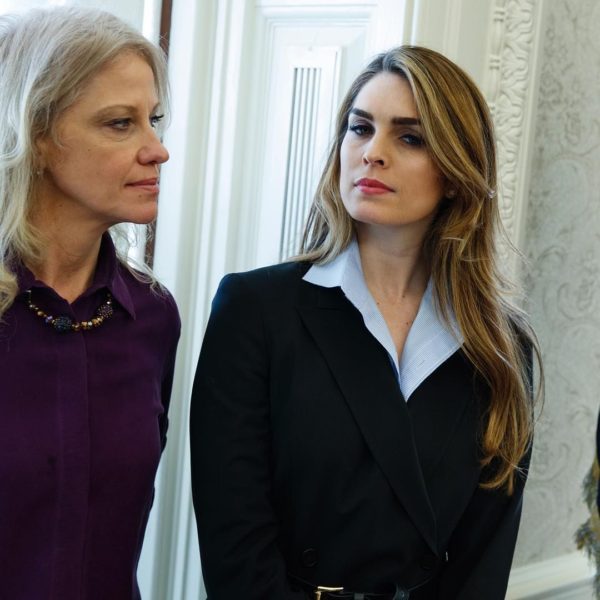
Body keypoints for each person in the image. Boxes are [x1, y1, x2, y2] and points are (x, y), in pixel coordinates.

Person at [190, 45, 539, 599]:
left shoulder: (499, 345)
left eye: (409, 137)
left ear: (455, 173)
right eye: (360, 128)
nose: (372, 153)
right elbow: (234, 540)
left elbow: (484, 559)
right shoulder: (256, 310)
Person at [0, 7, 180, 599]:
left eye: (152, 119)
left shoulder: (152, 317)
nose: (158, 150)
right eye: (119, 124)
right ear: (37, 136)